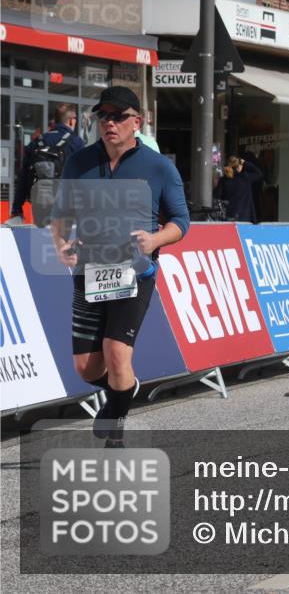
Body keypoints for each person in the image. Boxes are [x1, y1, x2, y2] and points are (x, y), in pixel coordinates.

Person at [49, 86, 190, 446]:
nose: (110, 123)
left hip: (135, 272)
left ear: (137, 122)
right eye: (104, 116)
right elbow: (61, 215)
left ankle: (116, 429)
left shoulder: (159, 167)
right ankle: (122, 390)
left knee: (116, 352)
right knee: (86, 368)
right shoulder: (79, 162)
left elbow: (180, 222)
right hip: (90, 271)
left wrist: (155, 240)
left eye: (119, 116)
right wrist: (62, 243)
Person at [11, 103, 86, 226]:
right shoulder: (76, 143)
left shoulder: (36, 142)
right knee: (64, 242)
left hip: (39, 202)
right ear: (71, 120)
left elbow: (23, 177)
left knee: (40, 240)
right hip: (67, 205)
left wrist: (17, 208)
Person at [214, 156, 262, 222]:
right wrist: (245, 163)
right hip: (245, 217)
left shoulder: (223, 180)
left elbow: (217, 196)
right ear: (238, 167)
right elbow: (259, 174)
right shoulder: (245, 178)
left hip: (229, 215)